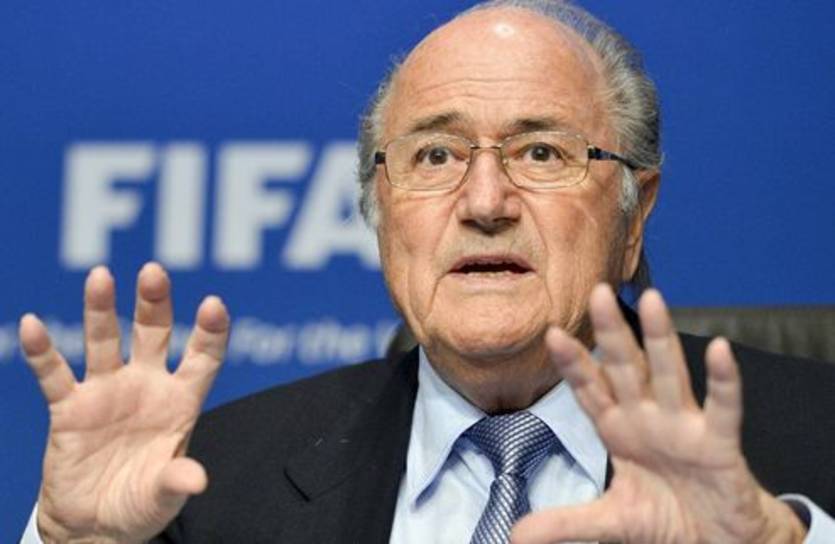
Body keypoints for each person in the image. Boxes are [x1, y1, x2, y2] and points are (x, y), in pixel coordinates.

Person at [20, 0, 835, 542]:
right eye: (435, 155)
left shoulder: (816, 442)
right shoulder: (213, 481)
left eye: (541, 152)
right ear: (379, 207)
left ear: (634, 212)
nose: (484, 201)